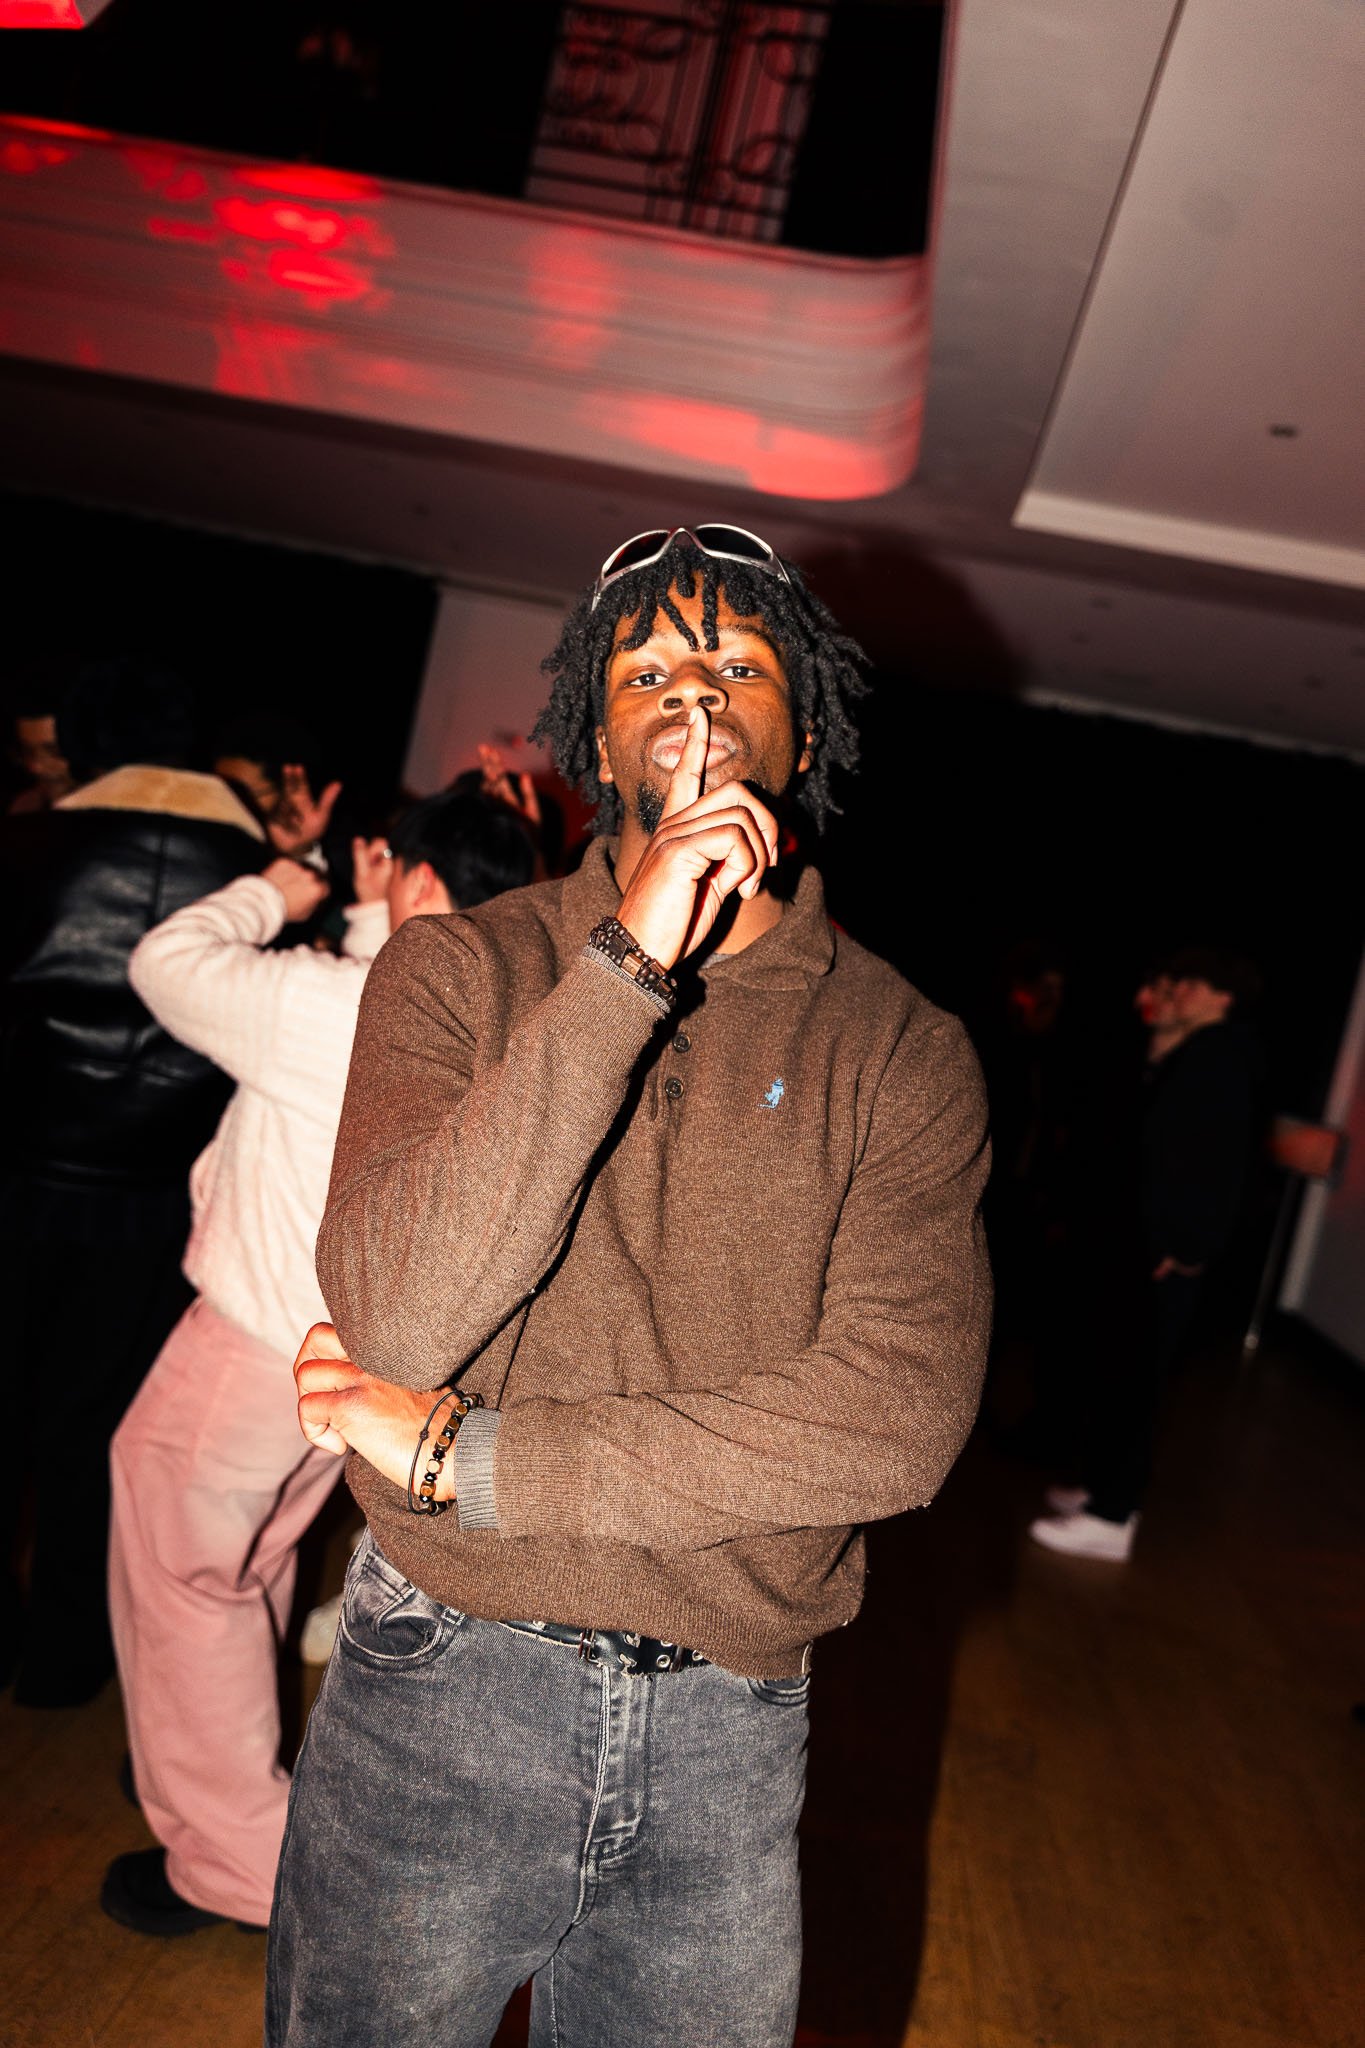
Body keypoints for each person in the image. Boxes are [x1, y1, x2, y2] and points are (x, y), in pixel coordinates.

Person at [267, 524, 992, 2048]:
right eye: (646, 670)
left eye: (739, 665)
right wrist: (625, 965)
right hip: (438, 1682)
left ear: (807, 729)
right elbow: (398, 1314)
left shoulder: (903, 1051)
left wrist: (474, 1460)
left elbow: (893, 1420)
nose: (694, 692)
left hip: (732, 1728)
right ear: (595, 742)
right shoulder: (456, 971)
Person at [101, 790, 536, 1938]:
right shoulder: (491, 1013)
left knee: (186, 1573)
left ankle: (235, 1862)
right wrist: (366, 898)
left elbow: (164, 962)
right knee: (244, 1566)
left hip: (255, 1340)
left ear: (421, 882)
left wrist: (277, 882)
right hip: (354, 1360)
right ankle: (204, 1763)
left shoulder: (337, 1001)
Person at [0, 661, 265, 1706]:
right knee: (99, 1430)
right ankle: (67, 1659)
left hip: (19, 1178)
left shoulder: (26, 844)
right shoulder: (250, 864)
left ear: (80, 744)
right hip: (158, 1199)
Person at [1031, 945, 1261, 1559]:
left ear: (1223, 997)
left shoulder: (1219, 1059)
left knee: (1136, 1384)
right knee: (1120, 1375)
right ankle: (1103, 1492)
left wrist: (1183, 1248)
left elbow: (1216, 1169)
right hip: (1147, 1245)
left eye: (1193, 983)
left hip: (1165, 1255)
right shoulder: (1195, 1053)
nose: (1178, 991)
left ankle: (1112, 1516)